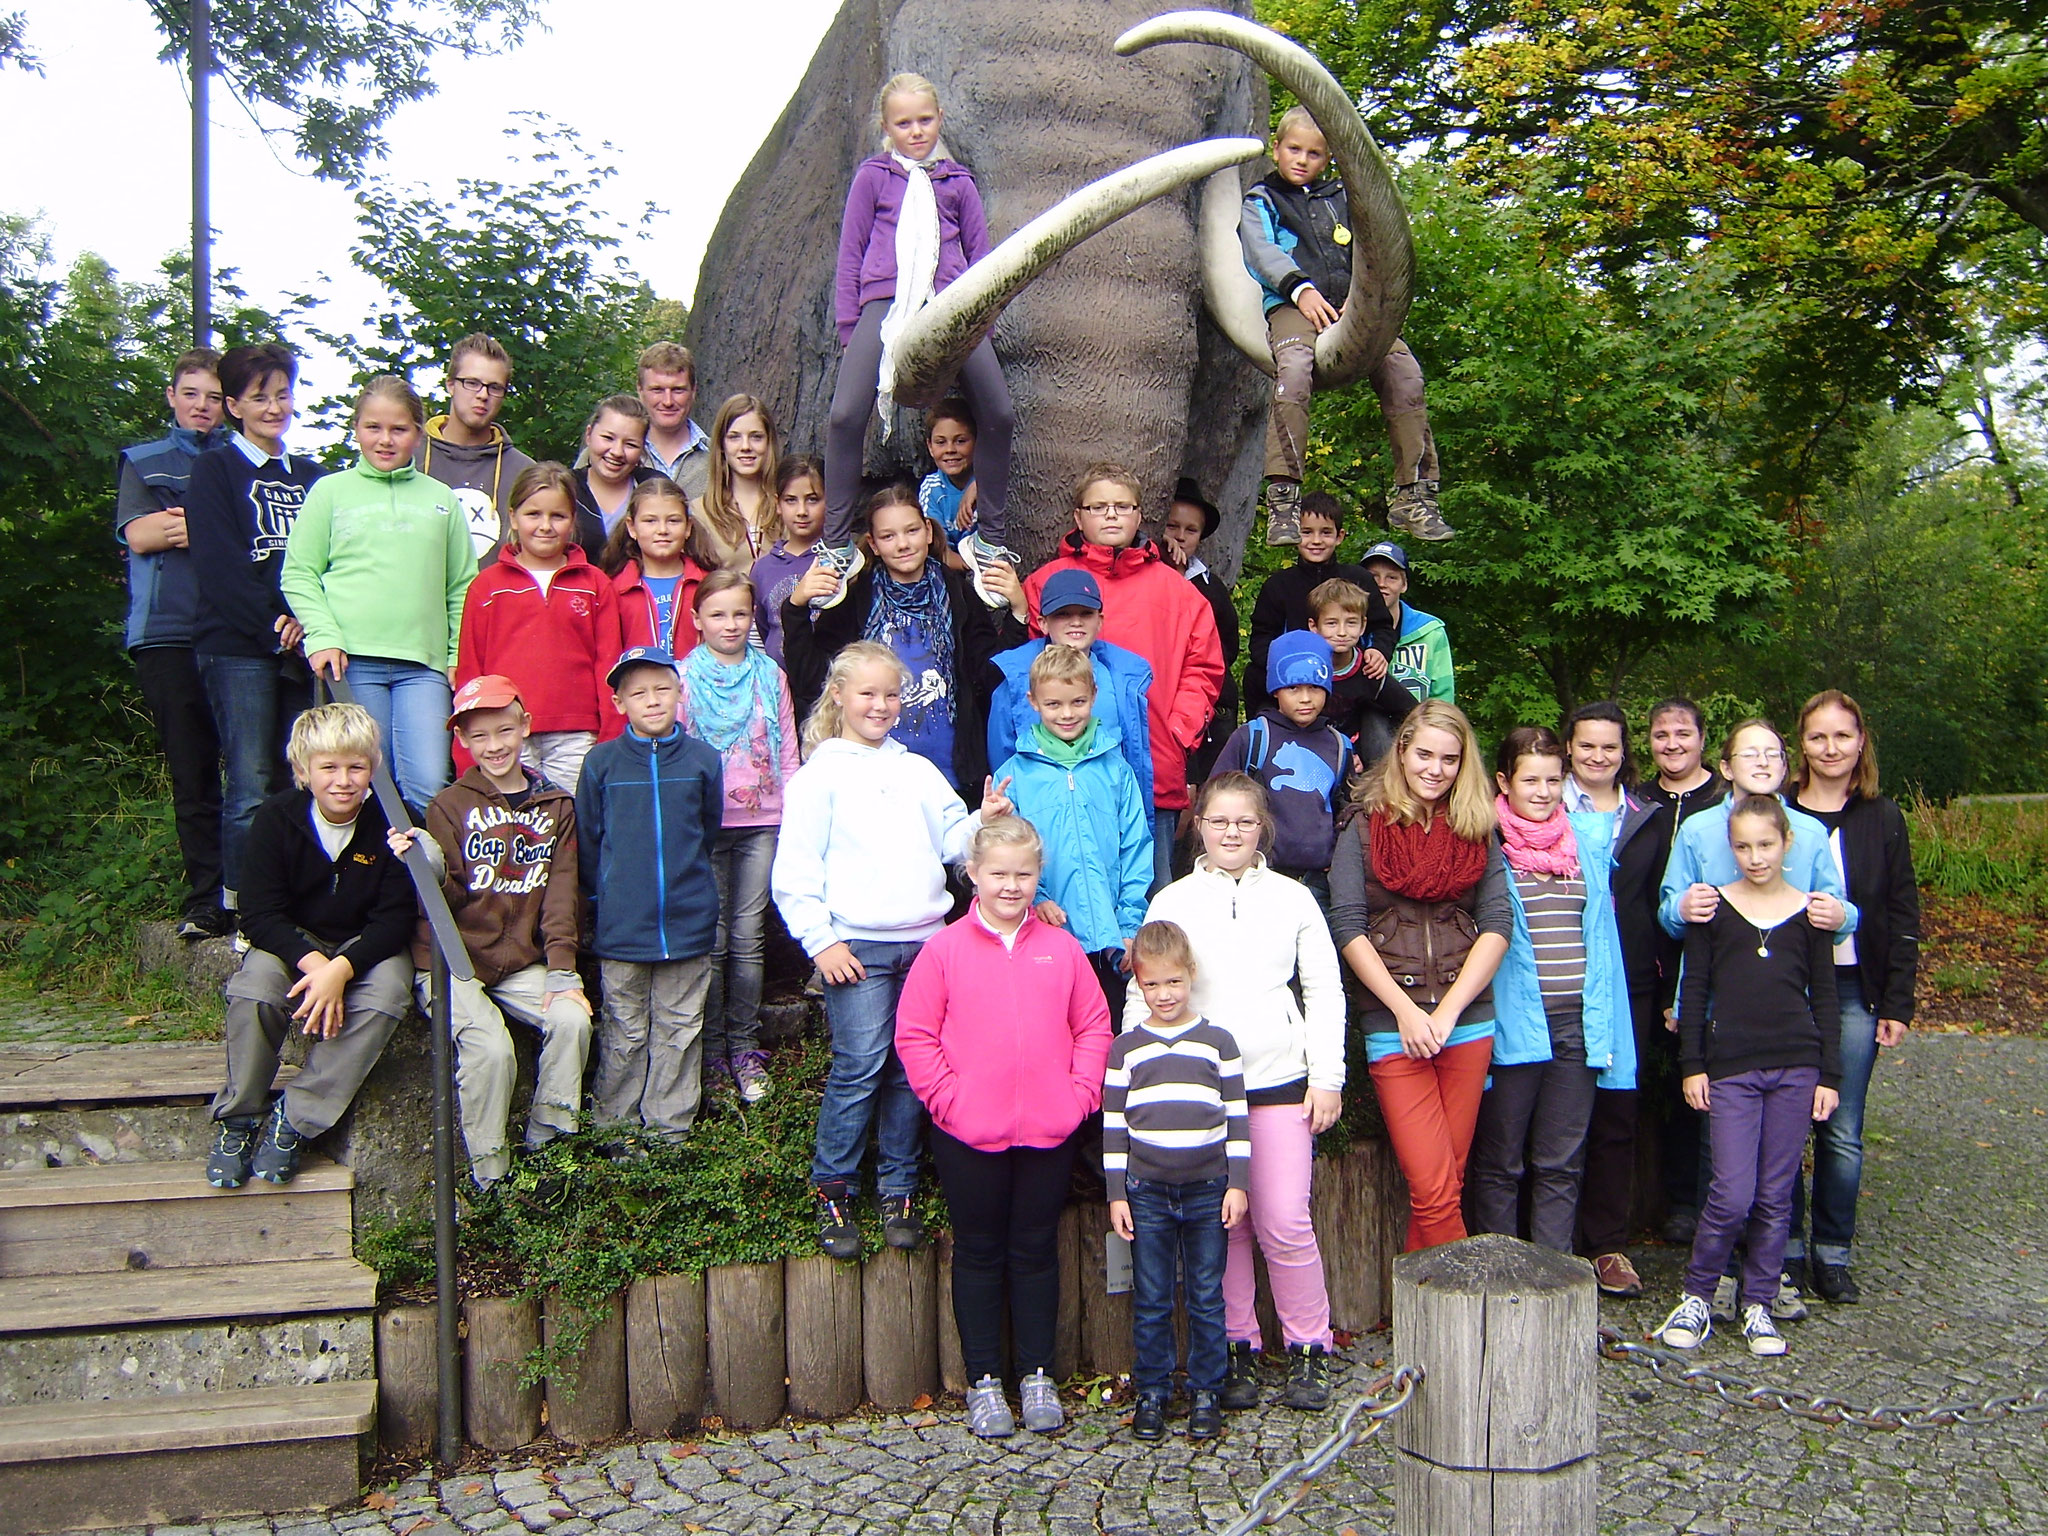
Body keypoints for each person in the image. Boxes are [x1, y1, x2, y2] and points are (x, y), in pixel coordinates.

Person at [771, 642, 1015, 1258]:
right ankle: (833, 1188)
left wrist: (982, 819)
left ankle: (898, 1189)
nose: (880, 705)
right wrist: (820, 941)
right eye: (868, 694)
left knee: (911, 1071)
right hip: (856, 948)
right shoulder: (818, 776)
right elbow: (793, 872)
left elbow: (953, 842)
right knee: (860, 1065)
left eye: (891, 694)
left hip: (926, 946)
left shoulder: (917, 771)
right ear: (839, 697)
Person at [895, 817, 1111, 1439]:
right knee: (981, 1252)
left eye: (1024, 874)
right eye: (999, 874)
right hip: (969, 1133)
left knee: (1037, 1250)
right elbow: (915, 1035)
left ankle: (1038, 1373)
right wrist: (949, 1102)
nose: (1012, 886)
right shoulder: (944, 951)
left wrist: (1077, 1098)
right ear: (973, 877)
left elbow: (1093, 1026)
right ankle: (985, 1381)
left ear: (1039, 875)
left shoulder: (1061, 949)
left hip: (1049, 1128)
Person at [1135, 773, 1344, 1413]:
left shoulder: (1294, 899)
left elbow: (1324, 990)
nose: (1231, 832)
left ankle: (1310, 1344)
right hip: (1197, 1092)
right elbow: (1141, 986)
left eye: (1244, 823)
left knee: (1283, 1219)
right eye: (1219, 820)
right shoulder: (1172, 900)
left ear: (1263, 829)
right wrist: (1137, 1071)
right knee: (1223, 1227)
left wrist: (1327, 1076)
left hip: (1279, 1082)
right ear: (1199, 823)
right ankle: (1234, 1347)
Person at [1661, 716, 1856, 1321]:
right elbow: (1671, 912)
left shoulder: (1807, 832)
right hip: (1721, 1023)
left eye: (1773, 752)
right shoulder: (1697, 831)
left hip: (1790, 1031)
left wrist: (1837, 913)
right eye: (1751, 753)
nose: (1764, 761)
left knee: (1776, 1179)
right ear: (1727, 766)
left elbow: (1839, 916)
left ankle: (1765, 1288)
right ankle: (1707, 1286)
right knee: (1723, 1171)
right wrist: (1682, 907)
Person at [823, 71, 1018, 604]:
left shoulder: (957, 183)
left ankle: (991, 539)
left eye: (925, 120)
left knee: (998, 410)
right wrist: (850, 328)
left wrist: (982, 325)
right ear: (887, 127)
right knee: (844, 415)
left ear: (940, 120)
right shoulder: (873, 178)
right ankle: (837, 544)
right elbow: (851, 253)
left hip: (953, 308)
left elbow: (983, 263)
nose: (916, 131)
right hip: (884, 304)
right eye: (903, 123)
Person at [389, 676, 590, 1189]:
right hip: (452, 960)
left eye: (504, 731)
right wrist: (426, 861)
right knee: (491, 1049)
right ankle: (492, 1171)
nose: (494, 745)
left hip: (520, 960)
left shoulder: (557, 806)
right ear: (462, 742)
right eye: (479, 737)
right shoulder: (449, 806)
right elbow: (445, 896)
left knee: (571, 1020)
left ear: (525, 728)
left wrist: (563, 969)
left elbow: (562, 892)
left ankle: (549, 1142)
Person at [205, 704, 413, 1190]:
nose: (343, 780)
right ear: (303, 771)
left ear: (374, 768)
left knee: (387, 995)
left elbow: (395, 918)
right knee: (255, 989)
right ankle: (240, 1116)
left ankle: (295, 1118)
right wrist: (317, 964)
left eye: (356, 767)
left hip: (366, 945)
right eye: (329, 768)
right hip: (294, 942)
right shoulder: (277, 818)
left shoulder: (395, 821)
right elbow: (258, 913)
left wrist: (342, 969)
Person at [1328, 700, 1509, 1253]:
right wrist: (1407, 1013)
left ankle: (1423, 1323)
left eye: (1450, 759)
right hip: (1393, 1020)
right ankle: (1463, 1314)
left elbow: (1497, 924)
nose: (1435, 768)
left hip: (1467, 1021)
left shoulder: (1477, 827)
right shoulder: (1362, 827)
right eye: (1424, 753)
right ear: (1401, 751)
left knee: (1443, 1185)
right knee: (1434, 1185)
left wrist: (1449, 1011)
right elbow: (1348, 926)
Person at [1239, 106, 1447, 544]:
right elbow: (1260, 251)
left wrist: (1366, 292)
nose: (1302, 160)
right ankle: (1284, 501)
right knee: (1293, 372)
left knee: (1405, 374)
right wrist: (1300, 289)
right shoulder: (1262, 200)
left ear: (1328, 158)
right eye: (1293, 149)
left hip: (1354, 310)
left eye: (1314, 153)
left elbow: (1373, 246)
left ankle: (1415, 495)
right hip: (1296, 307)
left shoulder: (1343, 199)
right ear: (1276, 149)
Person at [1467, 727, 1633, 1255]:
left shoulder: (1586, 840)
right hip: (1513, 1022)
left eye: (1553, 780)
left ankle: (1554, 1279)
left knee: (1562, 1161)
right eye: (1530, 780)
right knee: (1501, 1161)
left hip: (1577, 1023)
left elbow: (1602, 939)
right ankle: (1502, 1277)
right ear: (1504, 782)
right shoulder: (1486, 842)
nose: (1542, 791)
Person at [1024, 464, 1224, 891]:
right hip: (1068, 771)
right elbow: (1031, 668)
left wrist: (1177, 733)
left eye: (1122, 506)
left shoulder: (1178, 590)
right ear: (1078, 517)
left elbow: (1204, 667)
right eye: (1098, 507)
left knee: (1150, 895)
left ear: (1139, 516)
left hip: (1152, 764)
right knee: (1067, 895)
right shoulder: (1046, 582)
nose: (1111, 515)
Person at [281, 376, 473, 810]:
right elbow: (299, 573)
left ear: (419, 434)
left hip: (423, 667)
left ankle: (436, 877)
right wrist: (323, 635)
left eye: (399, 429)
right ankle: (367, 876)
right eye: (373, 428)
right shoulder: (330, 492)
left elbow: (461, 585)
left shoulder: (440, 499)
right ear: (356, 429)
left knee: (429, 782)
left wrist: (457, 655)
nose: (385, 440)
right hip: (352, 661)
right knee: (365, 782)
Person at [1788, 689, 1920, 1305]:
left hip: (1851, 988)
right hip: (1786, 987)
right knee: (1783, 1119)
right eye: (1818, 736)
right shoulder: (1777, 811)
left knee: (1841, 1127)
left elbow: (1901, 913)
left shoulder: (1882, 817)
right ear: (1802, 744)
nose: (1830, 748)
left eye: (1842, 736)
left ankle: (1832, 1254)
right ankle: (1782, 1247)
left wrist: (1896, 1002)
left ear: (1860, 742)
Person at [185, 342, 324, 920]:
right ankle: (244, 903)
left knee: (302, 776)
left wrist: (308, 624)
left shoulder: (313, 476)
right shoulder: (214, 470)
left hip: (303, 644)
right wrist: (274, 624)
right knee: (250, 779)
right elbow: (219, 567)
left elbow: (329, 561)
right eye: (259, 397)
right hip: (238, 645)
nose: (274, 407)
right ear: (235, 406)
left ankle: (295, 898)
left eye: (283, 394)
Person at [1107, 920, 1250, 1443]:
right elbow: (1113, 1125)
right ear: (1138, 985)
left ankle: (1208, 1390)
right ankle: (1153, 1390)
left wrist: (1238, 1183)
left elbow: (1237, 1117)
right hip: (1147, 1192)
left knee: (1207, 1293)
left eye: (1173, 982)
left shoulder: (1218, 1043)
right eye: (1152, 985)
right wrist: (1116, 1193)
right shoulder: (1126, 1049)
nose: (1164, 994)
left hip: (1208, 1187)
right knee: (1152, 1294)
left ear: (1190, 976)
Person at [786, 484, 1018, 799]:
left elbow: (991, 675)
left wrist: (1018, 612)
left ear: (928, 532)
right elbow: (814, 680)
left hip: (951, 776)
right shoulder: (856, 599)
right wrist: (796, 608)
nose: (903, 544)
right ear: (874, 544)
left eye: (911, 531)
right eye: (888, 536)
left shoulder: (958, 594)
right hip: (873, 779)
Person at [577, 646, 724, 1141]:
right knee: (624, 1032)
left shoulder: (704, 760)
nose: (653, 700)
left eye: (663, 688)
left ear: (680, 693)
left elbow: (707, 830)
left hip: (688, 922)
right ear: (619, 703)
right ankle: (615, 1132)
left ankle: (669, 1132)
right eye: (638, 693)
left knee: (680, 1030)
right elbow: (591, 841)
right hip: (624, 926)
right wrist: (605, 904)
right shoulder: (601, 764)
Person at [118, 348, 230, 939]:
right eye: (192, 394)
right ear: (172, 396)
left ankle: (247, 896)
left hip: (235, 633)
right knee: (192, 772)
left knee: (250, 772)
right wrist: (215, 524)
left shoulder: (244, 459)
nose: (202, 407)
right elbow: (142, 535)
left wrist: (190, 522)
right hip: (165, 635)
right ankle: (203, 900)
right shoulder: (144, 460)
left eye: (213, 397)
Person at [677, 572, 802, 1106]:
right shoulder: (680, 678)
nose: (730, 624)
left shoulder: (770, 675)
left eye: (740, 614)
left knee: (749, 936)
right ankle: (709, 1053)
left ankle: (745, 1048)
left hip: (762, 822)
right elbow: (676, 751)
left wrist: (793, 812)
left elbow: (789, 747)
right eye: (719, 614)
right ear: (697, 619)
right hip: (707, 826)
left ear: (754, 618)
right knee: (714, 938)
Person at [1559, 701, 1664, 1296]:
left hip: (1629, 980)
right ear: (1570, 749)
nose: (1598, 756)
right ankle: (1551, 1238)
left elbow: (1657, 898)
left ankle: (1607, 1244)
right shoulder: (1544, 806)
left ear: (1625, 753)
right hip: (1564, 975)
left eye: (1610, 747)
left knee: (1617, 1115)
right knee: (1556, 1114)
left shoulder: (1644, 817)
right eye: (1587, 745)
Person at [992, 645, 1152, 1009]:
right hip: (1044, 935)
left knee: (1106, 1035)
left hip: (1108, 942)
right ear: (1033, 701)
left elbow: (1136, 846)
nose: (1067, 714)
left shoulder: (1116, 769)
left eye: (1077, 702)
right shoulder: (1014, 776)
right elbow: (1006, 856)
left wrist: (1129, 924)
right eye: (1053, 704)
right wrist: (1038, 901)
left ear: (1094, 696)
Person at [456, 463, 624, 795]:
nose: (545, 526)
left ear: (573, 520)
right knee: (512, 824)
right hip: (504, 734)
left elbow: (609, 667)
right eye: (534, 514)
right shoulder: (487, 586)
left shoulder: (594, 584)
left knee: (571, 824)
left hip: (577, 734)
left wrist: (611, 736)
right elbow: (471, 672)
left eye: (557, 516)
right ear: (514, 517)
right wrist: (467, 747)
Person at [1636, 696, 1728, 1242]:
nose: (1672, 744)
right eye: (1662, 734)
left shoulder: (1724, 800)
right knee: (1664, 1085)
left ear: (1702, 739)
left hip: (1712, 961)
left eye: (1683, 734)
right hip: (1649, 958)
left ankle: (1711, 1199)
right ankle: (1670, 1200)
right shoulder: (1639, 801)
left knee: (1709, 1081)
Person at [985, 568, 1155, 820]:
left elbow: (1134, 759)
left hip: (1106, 816)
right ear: (1042, 622)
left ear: (1100, 620)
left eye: (1085, 614)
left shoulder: (1123, 679)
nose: (1075, 622)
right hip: (1039, 820)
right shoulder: (1015, 682)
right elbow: (1002, 761)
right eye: (1062, 614)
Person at [1211, 632, 1355, 897]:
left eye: (1314, 687)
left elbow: (1348, 811)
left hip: (1318, 883)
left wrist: (1337, 855)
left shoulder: (1339, 746)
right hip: (1257, 877)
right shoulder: (1252, 737)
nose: (1305, 698)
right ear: (1276, 690)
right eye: (1293, 688)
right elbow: (1214, 801)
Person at [1245, 492, 1394, 716]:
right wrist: (1288, 670)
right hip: (1295, 686)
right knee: (1254, 680)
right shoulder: (1278, 585)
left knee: (1383, 717)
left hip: (1350, 684)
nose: (1316, 541)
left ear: (1339, 536)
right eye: (1307, 532)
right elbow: (1261, 640)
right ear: (1295, 534)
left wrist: (1378, 650)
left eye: (1325, 532)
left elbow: (1382, 626)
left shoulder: (1359, 579)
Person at [416, 333, 536, 567]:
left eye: (494, 387)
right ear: (450, 384)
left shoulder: (524, 473)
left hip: (495, 601)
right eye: (472, 383)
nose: (483, 395)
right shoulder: (410, 457)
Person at [1160, 479, 1239, 785]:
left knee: (1214, 786)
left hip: (1213, 702)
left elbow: (1228, 643)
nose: (1180, 536)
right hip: (1165, 699)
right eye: (1172, 526)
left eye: (1190, 530)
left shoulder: (1211, 587)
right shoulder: (1148, 575)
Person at [1310, 578, 1416, 764]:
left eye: (1351, 623)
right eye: (1332, 624)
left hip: (1358, 757)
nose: (1342, 632)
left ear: (1363, 626)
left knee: (1375, 717)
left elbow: (1411, 711)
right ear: (1314, 627)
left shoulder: (1369, 671)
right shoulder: (1303, 670)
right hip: (1308, 750)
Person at [607, 477, 711, 657]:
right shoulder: (615, 589)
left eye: (673, 521)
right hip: (636, 684)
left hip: (698, 684)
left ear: (688, 527)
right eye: (650, 521)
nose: (662, 530)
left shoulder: (708, 585)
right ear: (632, 527)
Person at [752, 456, 827, 666]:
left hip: (828, 684)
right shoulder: (763, 569)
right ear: (778, 504)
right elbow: (763, 627)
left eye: (812, 499)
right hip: (778, 684)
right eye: (791, 500)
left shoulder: (838, 559)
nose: (802, 511)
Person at [1360, 542, 1455, 705]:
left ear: (1404, 585)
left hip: (1419, 726)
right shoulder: (1347, 631)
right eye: (1373, 577)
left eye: (1391, 577)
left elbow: (1443, 695)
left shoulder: (1431, 631)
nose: (1381, 584)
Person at [695, 394, 780, 570]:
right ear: (722, 445)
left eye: (756, 437)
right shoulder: (700, 512)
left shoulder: (788, 503)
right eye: (734, 437)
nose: (746, 446)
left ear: (769, 442)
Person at [572, 395, 656, 559]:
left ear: (642, 449)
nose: (617, 452)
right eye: (608, 438)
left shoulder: (654, 488)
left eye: (630, 444)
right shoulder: (566, 488)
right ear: (589, 435)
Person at [634, 342, 710, 498]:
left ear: (694, 391)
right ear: (640, 390)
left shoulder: (718, 458)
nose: (668, 401)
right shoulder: (612, 454)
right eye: (657, 390)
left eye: (677, 390)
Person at [918, 398, 979, 552]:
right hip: (950, 567)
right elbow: (938, 550)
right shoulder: (932, 489)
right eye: (941, 442)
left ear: (977, 442)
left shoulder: (988, 481)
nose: (950, 449)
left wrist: (980, 484)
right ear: (930, 447)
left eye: (960, 441)